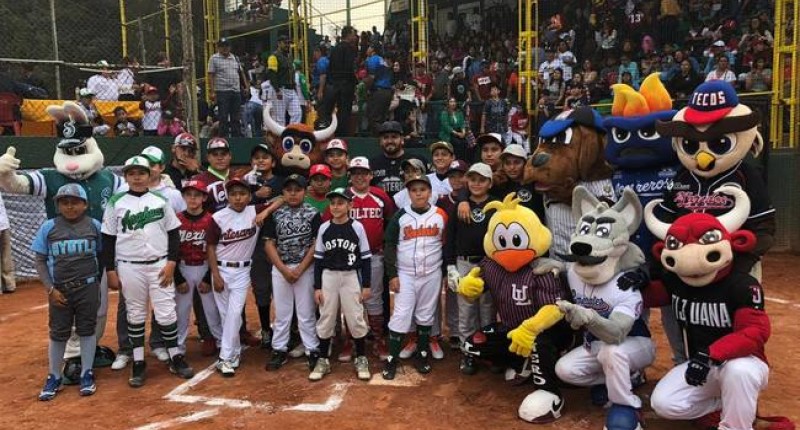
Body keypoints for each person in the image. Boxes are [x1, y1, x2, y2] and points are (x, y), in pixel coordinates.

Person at [102, 155, 192, 388]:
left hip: (160, 264)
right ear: (126, 176)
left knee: (166, 313)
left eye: (141, 172)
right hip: (129, 266)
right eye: (132, 173)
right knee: (135, 314)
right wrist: (110, 270)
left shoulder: (160, 200)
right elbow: (108, 239)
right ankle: (139, 362)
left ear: (149, 174)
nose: (137, 177)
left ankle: (176, 357)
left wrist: (172, 262)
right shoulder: (115, 202)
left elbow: (173, 234)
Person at [33, 185, 103, 400]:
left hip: (88, 287)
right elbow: (40, 260)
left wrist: (95, 283)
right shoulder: (49, 227)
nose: (70, 206)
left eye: (75, 202)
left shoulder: (94, 226)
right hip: (60, 290)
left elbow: (101, 255)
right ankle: (54, 375)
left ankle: (86, 372)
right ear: (58, 205)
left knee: (87, 329)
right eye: (64, 202)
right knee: (58, 332)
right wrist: (50, 289)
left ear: (85, 204)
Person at [326, 156, 396, 361]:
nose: (360, 177)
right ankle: (350, 340)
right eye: (355, 174)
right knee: (350, 299)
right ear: (350, 177)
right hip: (347, 259)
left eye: (363, 173)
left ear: (370, 175)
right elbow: (329, 222)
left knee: (373, 298)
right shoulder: (343, 197)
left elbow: (390, 223)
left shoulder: (380, 196)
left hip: (374, 256)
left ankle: (377, 339)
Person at [381, 174, 447, 380]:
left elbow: (444, 243)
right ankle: (392, 359)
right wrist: (392, 274)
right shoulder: (400, 216)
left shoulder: (441, 215)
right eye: (414, 190)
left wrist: (444, 272)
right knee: (401, 315)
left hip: (432, 273)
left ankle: (423, 354)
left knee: (426, 314)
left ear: (430, 192)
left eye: (422, 189)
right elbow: (389, 245)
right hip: (406, 274)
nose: (418, 193)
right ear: (408, 193)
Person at [309, 188, 373, 381]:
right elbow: (318, 259)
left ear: (349, 205)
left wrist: (367, 285)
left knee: (355, 317)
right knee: (326, 316)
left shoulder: (357, 227)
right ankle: (323, 359)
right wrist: (317, 286)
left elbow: (366, 258)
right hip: (328, 276)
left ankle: (361, 357)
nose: (336, 206)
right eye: (333, 203)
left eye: (340, 203)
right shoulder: (324, 227)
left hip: (350, 276)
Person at [443, 163, 497, 375]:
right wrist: (450, 266)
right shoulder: (459, 205)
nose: (476, 184)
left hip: (488, 263)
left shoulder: (495, 206)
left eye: (482, 180)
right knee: (466, 310)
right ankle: (468, 352)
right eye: (472, 179)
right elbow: (450, 238)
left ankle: (488, 351)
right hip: (464, 262)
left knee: (487, 309)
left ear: (489, 183)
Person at [264, 174, 322, 371]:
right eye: (289, 190)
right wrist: (283, 269)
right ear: (283, 193)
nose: (293, 193)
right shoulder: (276, 214)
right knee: (282, 312)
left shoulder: (313, 213)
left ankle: (312, 349)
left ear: (304, 192)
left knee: (306, 312)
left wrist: (299, 269)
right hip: (281, 268)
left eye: (297, 190)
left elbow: (316, 245)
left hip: (304, 268)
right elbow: (269, 244)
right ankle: (279, 349)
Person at [174, 180, 223, 359]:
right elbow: (171, 250)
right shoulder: (176, 219)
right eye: (189, 195)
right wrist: (178, 278)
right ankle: (178, 347)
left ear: (204, 197)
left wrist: (208, 276)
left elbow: (216, 250)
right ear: (184, 197)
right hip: (183, 267)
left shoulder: (212, 220)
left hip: (204, 267)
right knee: (181, 311)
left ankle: (220, 342)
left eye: (197, 195)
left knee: (212, 310)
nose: (193, 199)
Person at [244, 144, 284, 349]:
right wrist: (255, 196)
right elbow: (237, 204)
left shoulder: (281, 182)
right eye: (256, 158)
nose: (260, 161)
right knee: (261, 287)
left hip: (280, 240)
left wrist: (266, 208)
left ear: (273, 162)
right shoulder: (246, 182)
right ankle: (266, 330)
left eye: (265, 157)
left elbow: (286, 197)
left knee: (283, 287)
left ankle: (287, 329)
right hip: (255, 242)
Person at [318, 26, 359, 134]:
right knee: (344, 113)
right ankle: (342, 136)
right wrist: (355, 82)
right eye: (353, 34)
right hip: (346, 86)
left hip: (334, 85)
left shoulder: (335, 48)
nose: (355, 37)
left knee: (328, 111)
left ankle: (326, 133)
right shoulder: (350, 49)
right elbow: (350, 68)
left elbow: (330, 68)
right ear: (348, 35)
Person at [207, 38, 249, 137]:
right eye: (222, 46)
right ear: (218, 48)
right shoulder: (214, 58)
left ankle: (236, 139)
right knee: (223, 117)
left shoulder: (235, 58)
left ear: (229, 47)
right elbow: (211, 75)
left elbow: (241, 72)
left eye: (227, 46)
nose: (225, 48)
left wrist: (246, 87)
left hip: (236, 91)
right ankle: (223, 138)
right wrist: (212, 91)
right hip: (222, 91)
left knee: (236, 117)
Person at [372, 120, 424, 197]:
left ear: (402, 140)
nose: (390, 141)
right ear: (380, 141)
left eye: (394, 137)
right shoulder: (372, 164)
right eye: (385, 137)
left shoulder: (417, 161)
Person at [267, 35, 300, 126]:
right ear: (279, 43)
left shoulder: (289, 56)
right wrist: (277, 90)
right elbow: (272, 75)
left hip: (291, 90)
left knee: (297, 113)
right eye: (285, 43)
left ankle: (291, 133)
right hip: (280, 90)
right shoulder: (273, 56)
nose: (287, 45)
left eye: (288, 43)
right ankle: (279, 139)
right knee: (279, 119)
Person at [365, 44, 394, 135]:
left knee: (375, 119)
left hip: (379, 91)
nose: (367, 49)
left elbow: (371, 77)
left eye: (369, 47)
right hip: (388, 92)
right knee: (382, 119)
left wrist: (366, 88)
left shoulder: (373, 59)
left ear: (373, 49)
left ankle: (380, 140)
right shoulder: (382, 60)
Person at [438, 97, 469, 161]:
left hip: (459, 132)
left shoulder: (459, 112)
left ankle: (464, 162)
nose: (453, 103)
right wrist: (457, 133)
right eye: (451, 102)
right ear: (448, 103)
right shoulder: (444, 113)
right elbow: (446, 126)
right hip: (448, 134)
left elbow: (462, 123)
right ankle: (456, 161)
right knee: (457, 143)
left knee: (465, 142)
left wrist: (463, 132)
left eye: (454, 102)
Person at [0, 190, 11, 294]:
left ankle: (9, 285)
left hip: (3, 222)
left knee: (6, 255)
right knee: (5, 254)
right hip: (3, 222)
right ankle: (7, 285)